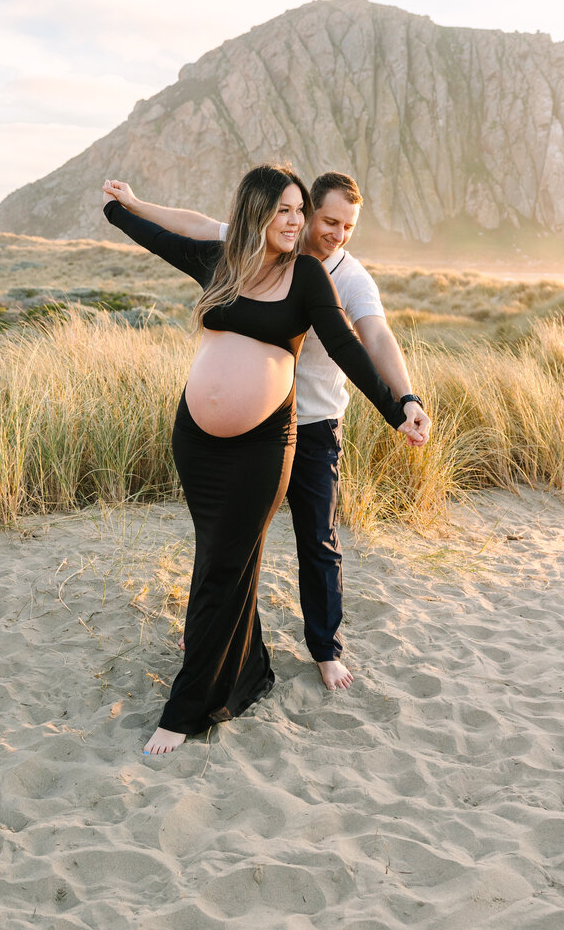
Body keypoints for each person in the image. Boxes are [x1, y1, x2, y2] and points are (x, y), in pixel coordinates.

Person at [102, 164, 425, 754]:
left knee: (276, 552)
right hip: (198, 442)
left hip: (281, 435)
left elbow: (360, 343)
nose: (305, 224)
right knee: (224, 554)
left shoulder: (313, 276)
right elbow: (175, 236)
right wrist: (123, 209)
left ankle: (193, 704)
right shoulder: (227, 259)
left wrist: (399, 403)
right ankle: (245, 665)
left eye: (305, 214)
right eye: (293, 212)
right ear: (258, 213)